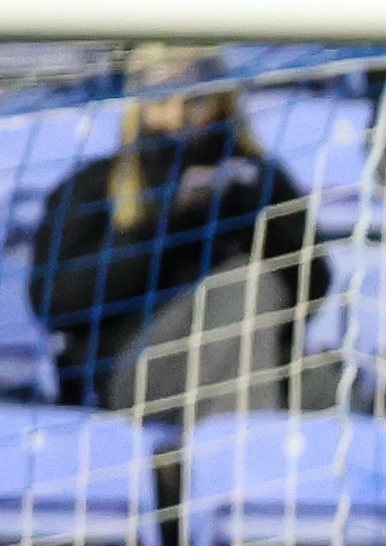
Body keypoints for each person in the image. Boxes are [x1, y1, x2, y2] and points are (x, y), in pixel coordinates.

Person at [27, 86, 308, 410]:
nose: (178, 114)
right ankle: (236, 439)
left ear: (221, 98)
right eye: (162, 98)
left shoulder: (259, 177)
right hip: (129, 368)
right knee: (243, 284)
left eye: (194, 99)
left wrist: (257, 215)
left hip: (258, 360)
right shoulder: (96, 183)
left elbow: (312, 290)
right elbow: (54, 303)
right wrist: (169, 223)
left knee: (325, 385)